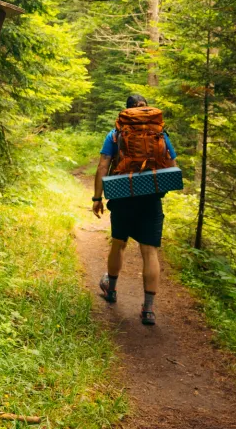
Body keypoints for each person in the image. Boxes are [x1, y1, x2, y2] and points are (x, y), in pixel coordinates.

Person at [92, 94, 176, 326]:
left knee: (118, 243)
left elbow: (102, 166)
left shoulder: (116, 134)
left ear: (126, 112)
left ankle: (111, 290)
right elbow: (173, 167)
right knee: (149, 251)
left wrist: (97, 197)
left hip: (122, 194)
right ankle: (148, 310)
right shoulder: (159, 133)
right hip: (150, 198)